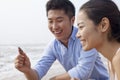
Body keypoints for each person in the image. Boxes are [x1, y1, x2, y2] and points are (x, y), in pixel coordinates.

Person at [14, 0, 109, 80]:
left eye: (59, 20)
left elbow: (83, 71)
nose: (54, 27)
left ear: (72, 20)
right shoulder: (53, 46)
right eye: (50, 21)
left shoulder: (86, 37)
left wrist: (53, 79)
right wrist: (27, 70)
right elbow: (37, 75)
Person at [76, 0, 120, 80]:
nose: (77, 35)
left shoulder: (118, 59)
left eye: (81, 27)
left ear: (103, 25)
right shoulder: (111, 61)